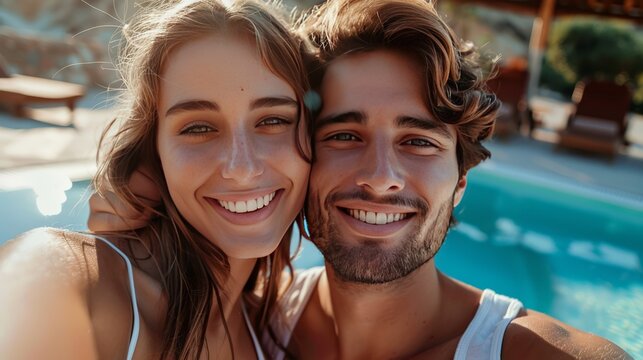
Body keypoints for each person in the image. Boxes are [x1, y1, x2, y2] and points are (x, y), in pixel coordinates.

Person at [87, 0, 632, 358]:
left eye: (418, 141)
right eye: (344, 136)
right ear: (301, 159)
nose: (380, 178)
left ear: (461, 182)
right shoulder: (243, 325)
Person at [0, 0, 312, 358]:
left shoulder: (278, 327)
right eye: (198, 128)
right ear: (153, 150)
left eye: (273, 121)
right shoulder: (70, 282)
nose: (241, 168)